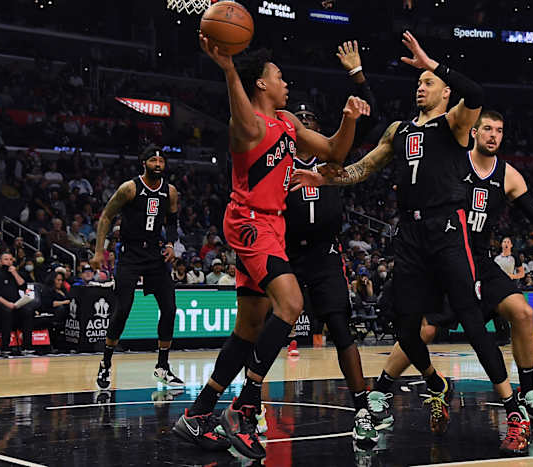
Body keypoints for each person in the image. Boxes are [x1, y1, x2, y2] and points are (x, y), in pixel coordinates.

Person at [292, 31, 527, 453]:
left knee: (473, 322)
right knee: (404, 326)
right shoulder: (398, 130)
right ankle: (436, 383)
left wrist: (428, 61)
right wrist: (324, 176)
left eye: (429, 83)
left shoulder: (455, 123)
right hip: (411, 233)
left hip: (449, 229)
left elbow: (477, 91)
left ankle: (513, 408)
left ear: (444, 92)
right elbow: (360, 169)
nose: (420, 85)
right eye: (418, 82)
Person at [365, 110, 533, 436]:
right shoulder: (452, 163)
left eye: (499, 131)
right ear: (472, 131)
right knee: (423, 331)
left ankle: (528, 392)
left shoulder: (509, 176)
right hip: (443, 256)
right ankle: (383, 387)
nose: (493, 135)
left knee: (523, 311)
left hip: (481, 262)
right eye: (487, 128)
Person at [171, 37, 369, 460]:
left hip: (273, 226)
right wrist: (228, 68)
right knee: (292, 301)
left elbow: (335, 150)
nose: (285, 82)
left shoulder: (287, 122)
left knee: (249, 328)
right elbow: (239, 112)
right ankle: (245, 406)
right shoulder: (250, 126)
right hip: (249, 222)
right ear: (261, 84)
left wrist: (349, 118)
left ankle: (199, 412)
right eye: (278, 76)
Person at [280, 39, 380, 445]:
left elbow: (371, 120)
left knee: (342, 331)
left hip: (325, 256)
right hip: (286, 255)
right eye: (299, 120)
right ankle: (250, 406)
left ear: (316, 129)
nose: (304, 126)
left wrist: (357, 74)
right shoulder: (279, 159)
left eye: (310, 121)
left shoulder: (332, 161)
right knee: (272, 331)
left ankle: (362, 411)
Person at [90, 146, 185, 391]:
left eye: (161, 160)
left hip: (155, 253)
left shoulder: (170, 191)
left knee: (170, 307)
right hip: (130, 253)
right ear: (143, 163)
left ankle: (162, 366)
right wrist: (99, 250)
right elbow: (106, 217)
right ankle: (106, 363)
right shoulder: (129, 188)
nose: (157, 163)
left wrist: (172, 244)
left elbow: (173, 221)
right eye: (153, 159)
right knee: (123, 309)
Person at [0, 252, 26, 357]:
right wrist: (8, 304)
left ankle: (27, 346)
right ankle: (5, 347)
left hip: (16, 303)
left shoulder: (14, 273)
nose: (9, 261)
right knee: (6, 311)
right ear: (0, 261)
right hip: (1, 303)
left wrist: (15, 273)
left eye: (11, 259)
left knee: (28, 311)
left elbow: (23, 286)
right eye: (6, 259)